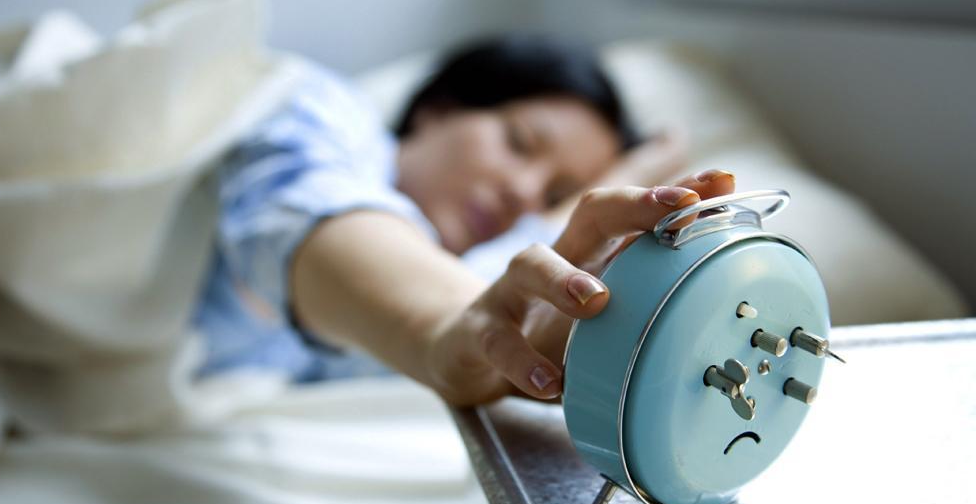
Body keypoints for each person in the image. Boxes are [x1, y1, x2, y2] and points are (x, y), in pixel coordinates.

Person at [194, 35, 735, 405]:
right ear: (440, 109)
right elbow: (305, 217)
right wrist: (452, 334)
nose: (523, 193)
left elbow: (481, 306)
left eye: (553, 195)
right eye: (519, 142)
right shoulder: (316, 113)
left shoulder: (462, 267)